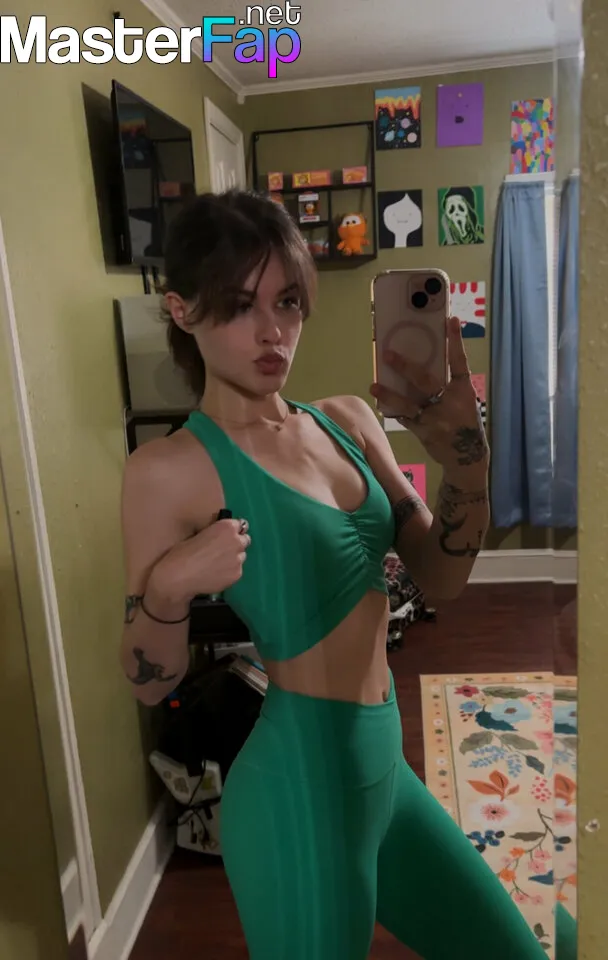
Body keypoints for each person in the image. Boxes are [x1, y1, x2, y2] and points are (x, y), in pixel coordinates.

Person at [119, 189, 556, 959]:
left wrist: (467, 462)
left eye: (287, 301)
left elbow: (440, 580)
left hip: (386, 768)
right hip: (298, 795)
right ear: (182, 311)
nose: (273, 330)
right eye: (240, 305)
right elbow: (149, 683)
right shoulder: (168, 471)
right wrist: (167, 587)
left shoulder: (346, 419)